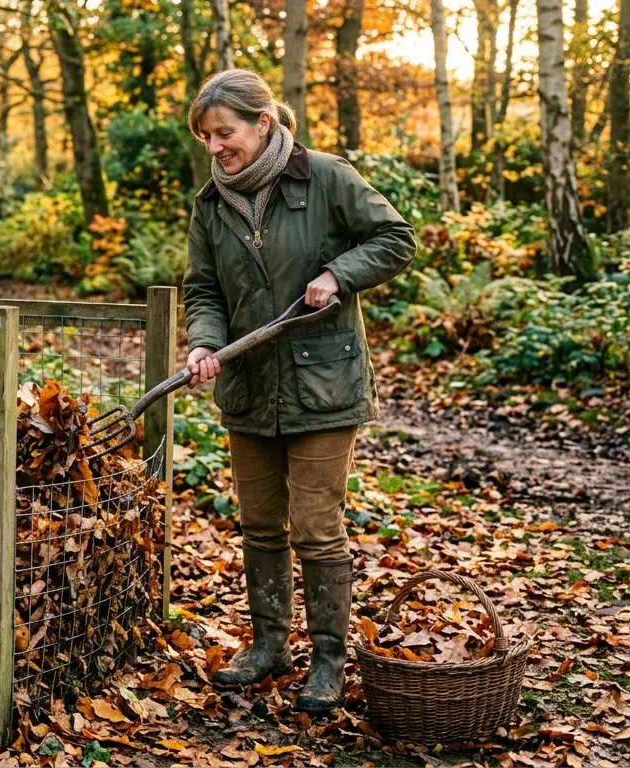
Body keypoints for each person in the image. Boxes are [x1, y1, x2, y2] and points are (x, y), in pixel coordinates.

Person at [183, 68, 416, 713]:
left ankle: (329, 662)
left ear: (265, 123)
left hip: (322, 383)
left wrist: (339, 274)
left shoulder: (327, 177)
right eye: (205, 137)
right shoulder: (211, 205)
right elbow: (203, 289)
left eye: (224, 133)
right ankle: (268, 648)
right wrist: (205, 342)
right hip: (251, 388)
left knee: (315, 527)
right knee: (259, 524)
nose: (214, 148)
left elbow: (397, 238)